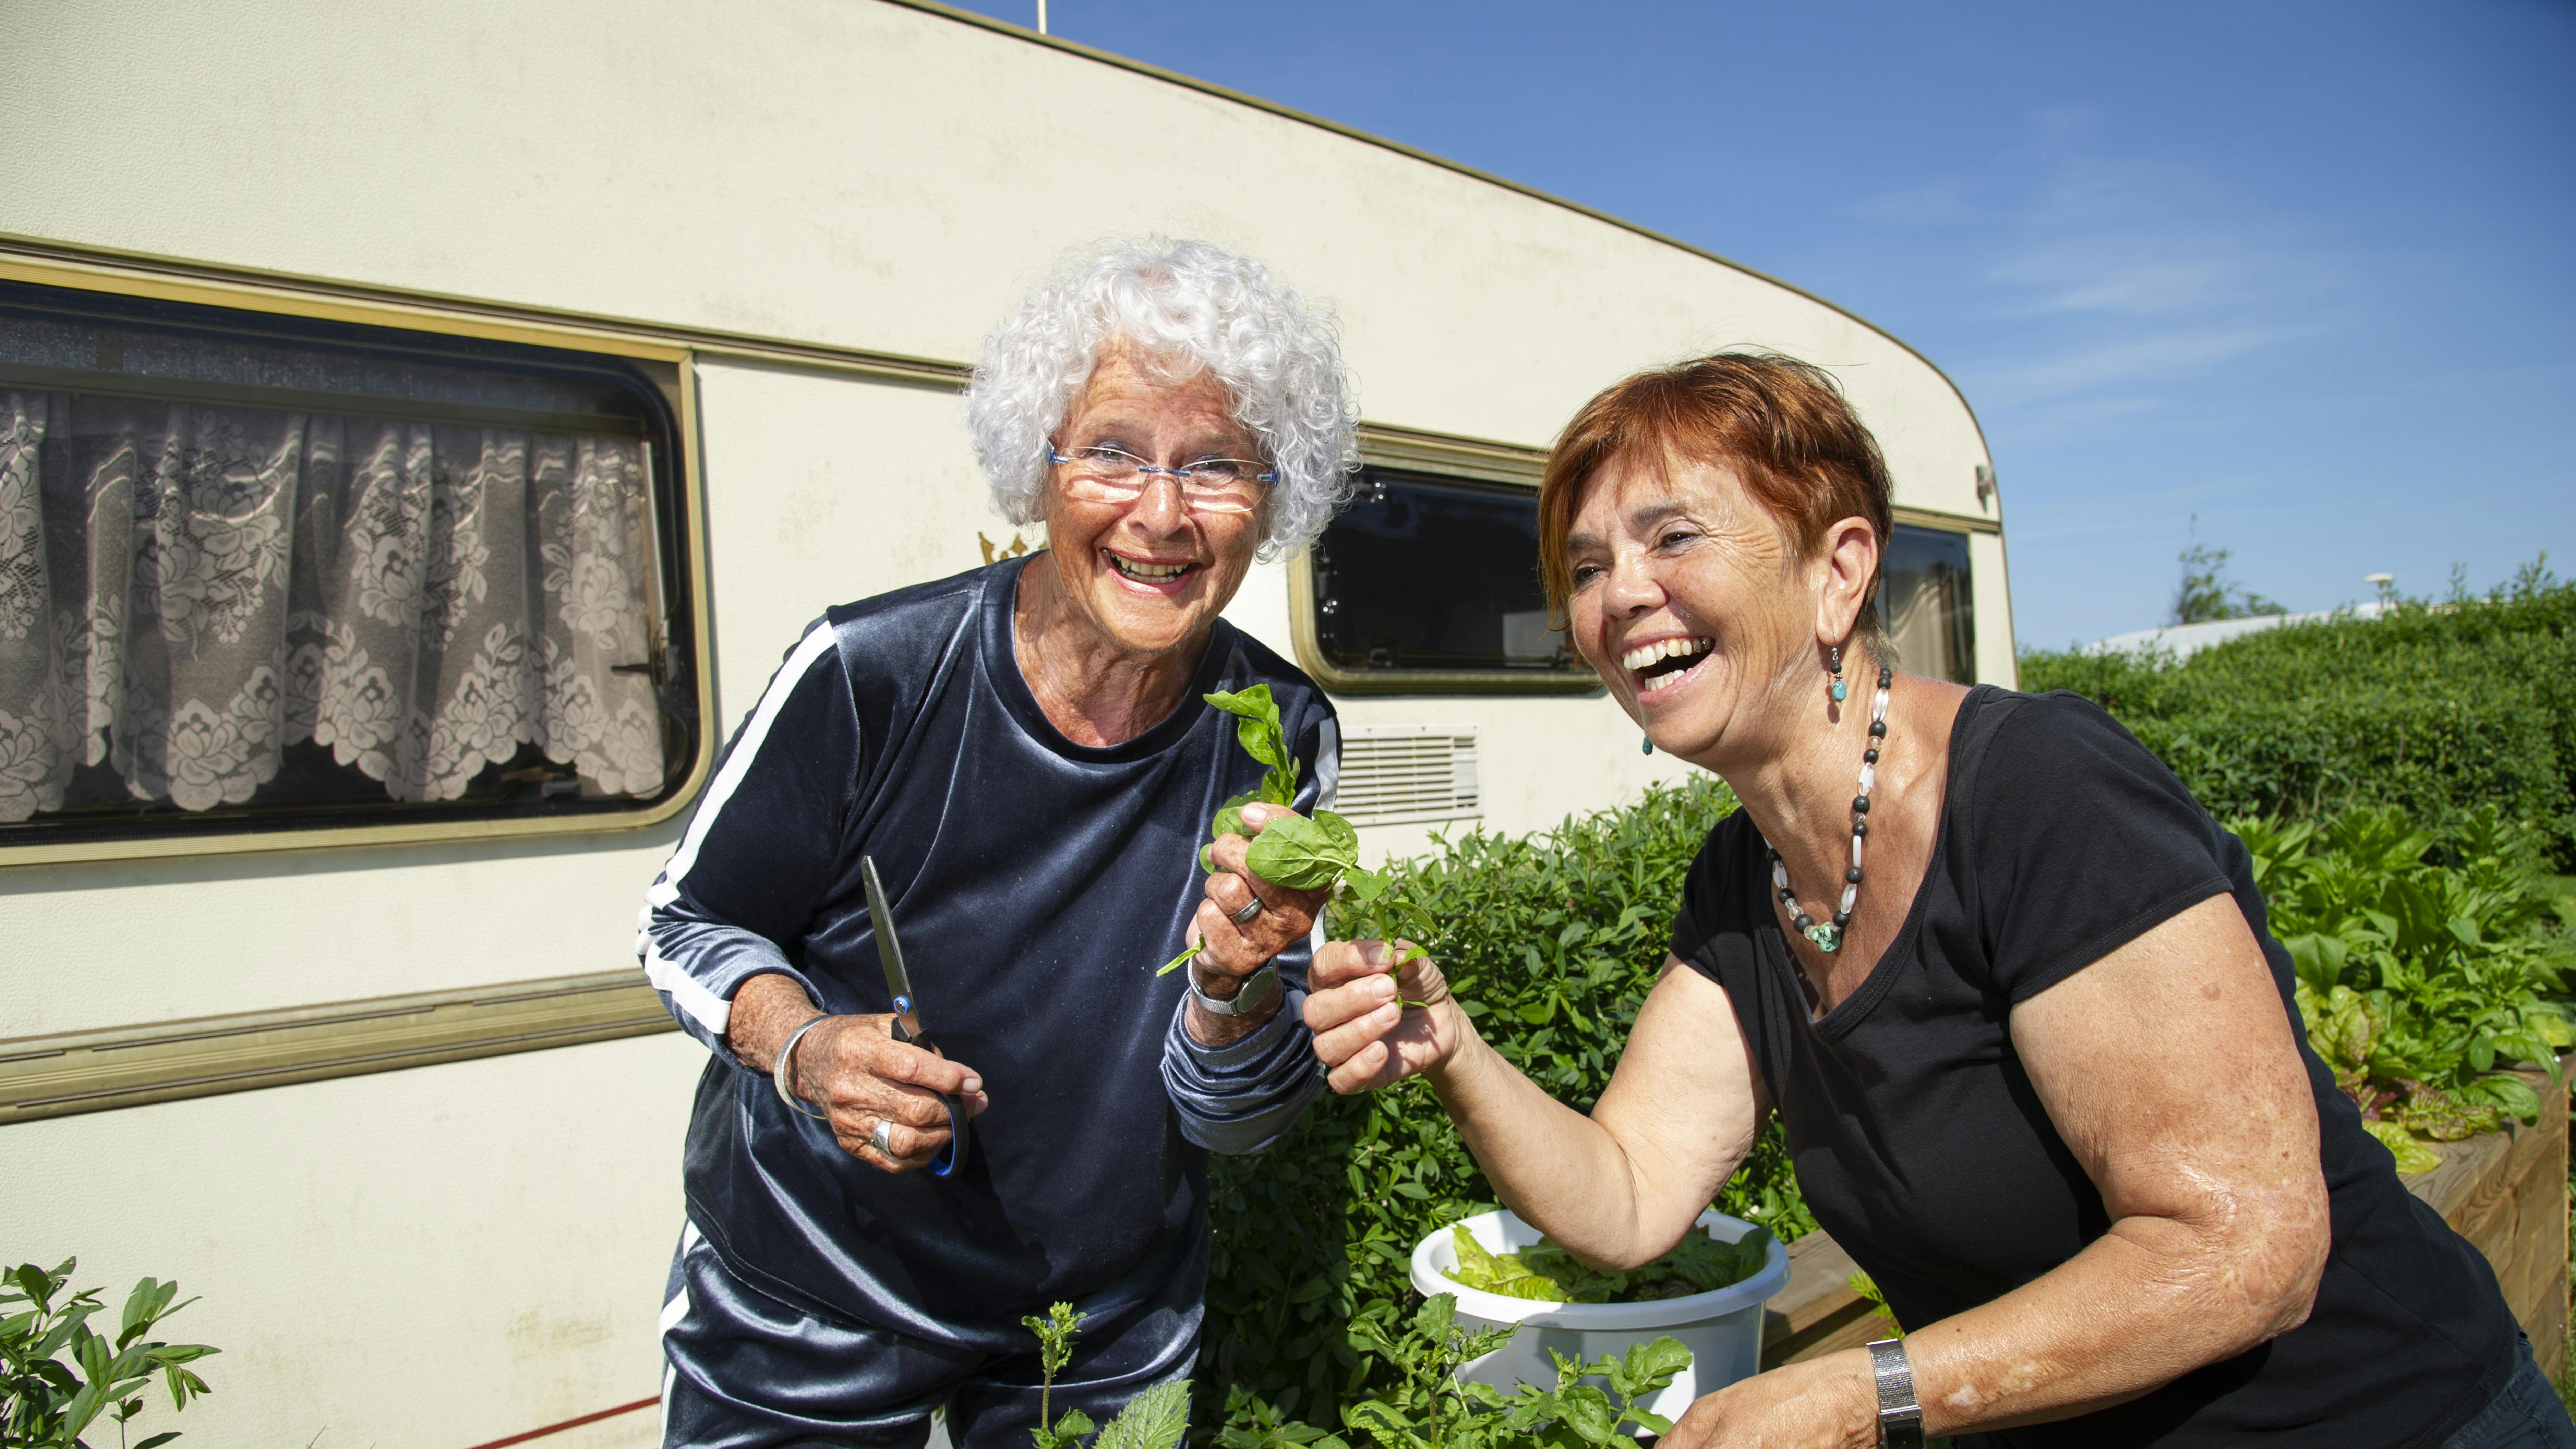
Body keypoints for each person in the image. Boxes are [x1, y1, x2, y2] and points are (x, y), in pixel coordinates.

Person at [1301, 354, 2573, 1448]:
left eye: (1672, 536)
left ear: (1836, 570)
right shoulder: (1742, 882)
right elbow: (1629, 1196)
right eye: (1585, 566)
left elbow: (2243, 1249)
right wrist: (1450, 1044)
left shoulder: (2036, 794)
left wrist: (1856, 1398)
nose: (1617, 593)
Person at [641, 238, 1357, 1446]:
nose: (1164, 513)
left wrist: (1232, 996)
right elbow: (685, 921)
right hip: (809, 1298)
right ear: (1040, 465)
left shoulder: (1282, 730)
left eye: (1219, 466)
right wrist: (806, 1046)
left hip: (1101, 1318)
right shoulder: (871, 672)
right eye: (1115, 450)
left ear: (1273, 500)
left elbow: (1234, 1117)